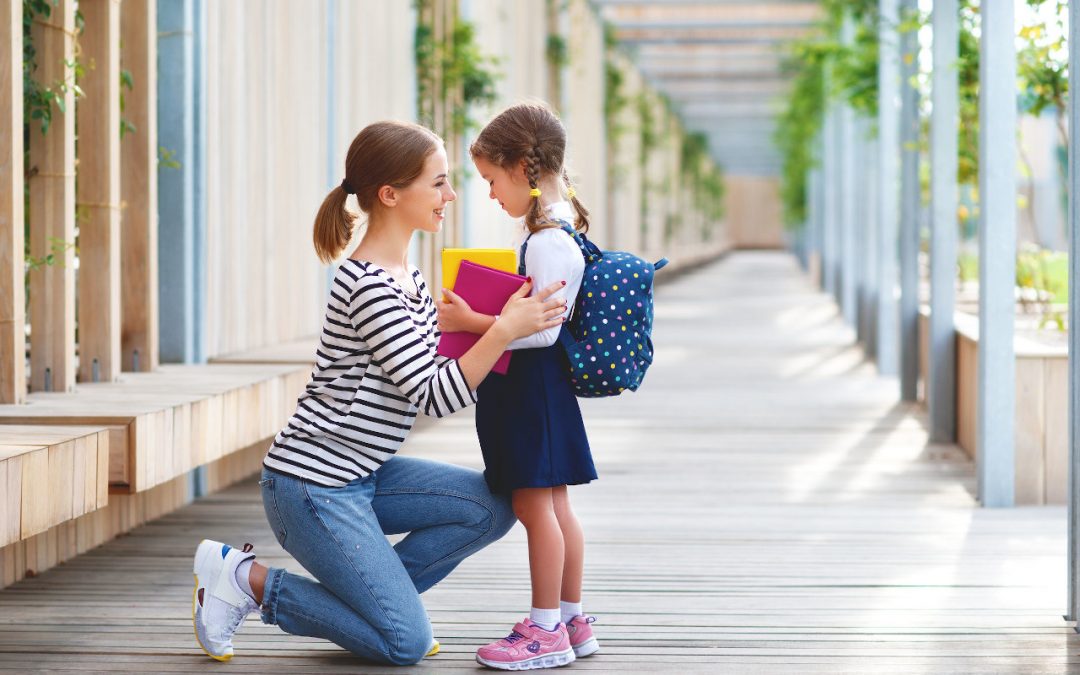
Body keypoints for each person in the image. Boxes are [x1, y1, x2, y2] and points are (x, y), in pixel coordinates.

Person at [191, 120, 569, 666]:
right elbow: (434, 395)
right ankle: (246, 581)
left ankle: (374, 609)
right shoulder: (369, 285)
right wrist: (504, 329)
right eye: (438, 183)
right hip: (312, 487)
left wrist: (489, 322)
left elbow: (435, 364)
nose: (451, 194)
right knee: (403, 644)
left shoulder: (408, 277)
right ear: (390, 195)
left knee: (492, 506)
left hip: (364, 473)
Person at [436, 102, 599, 670]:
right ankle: (571, 618)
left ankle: (545, 628)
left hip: (529, 393)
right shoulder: (558, 231)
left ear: (523, 167)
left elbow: (540, 334)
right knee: (555, 507)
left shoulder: (546, 240)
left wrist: (470, 323)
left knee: (537, 510)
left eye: (491, 179)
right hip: (541, 395)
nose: (488, 194)